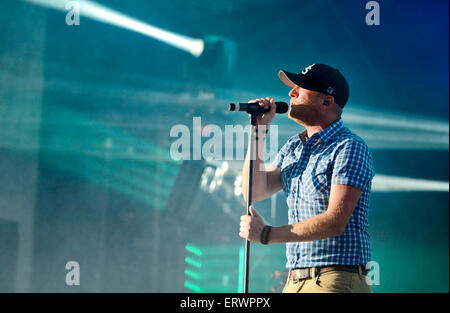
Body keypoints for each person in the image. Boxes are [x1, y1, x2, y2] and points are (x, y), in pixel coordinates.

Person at [239, 63, 375, 293]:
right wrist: (258, 131)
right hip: (294, 280)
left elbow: (335, 221)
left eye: (300, 88)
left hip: (334, 277)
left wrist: (266, 234)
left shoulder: (349, 147)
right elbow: (254, 190)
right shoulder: (294, 147)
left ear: (326, 101)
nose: (291, 93)